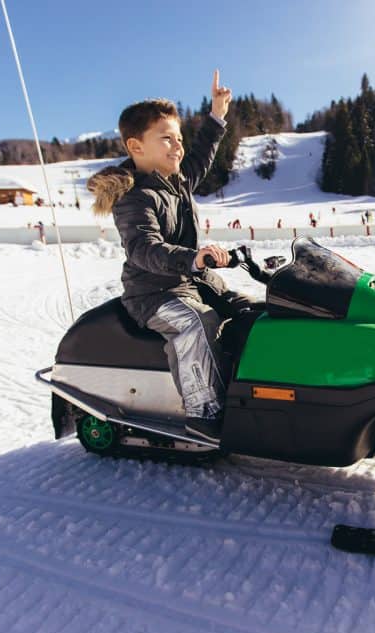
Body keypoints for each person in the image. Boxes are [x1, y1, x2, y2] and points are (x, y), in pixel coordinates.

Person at [86, 70, 252, 444]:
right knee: (197, 322)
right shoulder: (134, 198)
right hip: (153, 294)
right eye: (166, 139)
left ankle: (249, 393)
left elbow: (202, 157)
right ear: (136, 146)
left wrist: (217, 114)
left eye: (178, 138)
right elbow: (145, 249)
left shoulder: (176, 181)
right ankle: (204, 412)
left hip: (191, 282)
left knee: (250, 310)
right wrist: (194, 259)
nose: (177, 146)